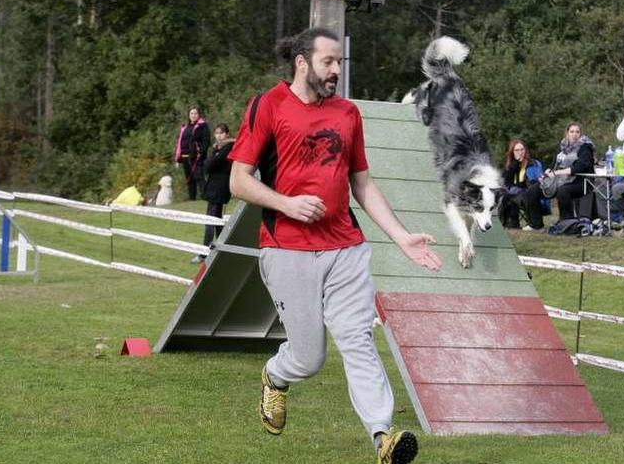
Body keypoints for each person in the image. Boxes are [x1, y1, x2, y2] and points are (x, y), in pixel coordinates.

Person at [228, 27, 440, 464]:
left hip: (346, 246)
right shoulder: (267, 106)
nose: (336, 70)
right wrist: (285, 202)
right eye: (329, 62)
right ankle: (275, 374)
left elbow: (362, 183)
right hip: (286, 248)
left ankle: (383, 437)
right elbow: (238, 181)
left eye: (340, 62)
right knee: (309, 358)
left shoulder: (348, 113)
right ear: (302, 62)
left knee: (358, 339)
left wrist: (400, 237)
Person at [523, 123, 595, 231]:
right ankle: (536, 224)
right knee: (533, 190)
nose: (574, 134)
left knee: (563, 191)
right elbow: (554, 164)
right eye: (572, 131)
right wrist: (547, 172)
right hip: (559, 179)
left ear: (580, 134)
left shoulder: (585, 147)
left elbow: (579, 167)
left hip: (580, 181)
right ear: (567, 133)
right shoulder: (562, 146)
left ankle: (567, 223)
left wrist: (557, 172)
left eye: (577, 132)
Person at [192, 123, 235, 264]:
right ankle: (226, 250)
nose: (219, 136)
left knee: (210, 220)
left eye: (221, 133)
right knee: (216, 221)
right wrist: (210, 161)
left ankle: (204, 254)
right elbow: (209, 165)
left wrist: (211, 161)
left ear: (227, 134)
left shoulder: (229, 147)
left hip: (220, 188)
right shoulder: (217, 148)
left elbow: (211, 164)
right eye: (216, 133)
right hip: (213, 187)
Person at [498, 139, 544, 229]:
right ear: (512, 152)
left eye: (522, 149)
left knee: (514, 196)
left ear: (525, 150)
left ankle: (532, 223)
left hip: (530, 195)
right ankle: (511, 223)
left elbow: (535, 183)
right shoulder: (511, 165)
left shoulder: (532, 164)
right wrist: (514, 165)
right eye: (517, 150)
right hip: (517, 194)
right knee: (506, 195)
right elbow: (506, 183)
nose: (520, 152)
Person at [175, 105, 210, 200]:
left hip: (196, 156)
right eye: (191, 113)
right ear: (189, 115)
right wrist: (178, 159)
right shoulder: (184, 127)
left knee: (199, 177)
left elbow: (206, 141)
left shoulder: (203, 126)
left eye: (195, 113)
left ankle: (206, 197)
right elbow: (179, 142)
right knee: (189, 179)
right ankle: (192, 199)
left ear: (199, 115)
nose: (193, 115)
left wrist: (201, 152)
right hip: (185, 156)